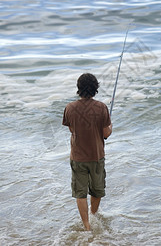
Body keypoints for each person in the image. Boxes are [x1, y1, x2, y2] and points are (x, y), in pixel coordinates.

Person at [62, 73, 112, 230]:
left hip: (77, 157)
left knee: (80, 193)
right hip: (97, 157)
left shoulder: (69, 107)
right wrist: (110, 127)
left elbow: (72, 129)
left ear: (79, 88)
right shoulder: (102, 107)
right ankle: (93, 214)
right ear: (95, 88)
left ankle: (86, 225)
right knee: (97, 191)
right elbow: (106, 134)